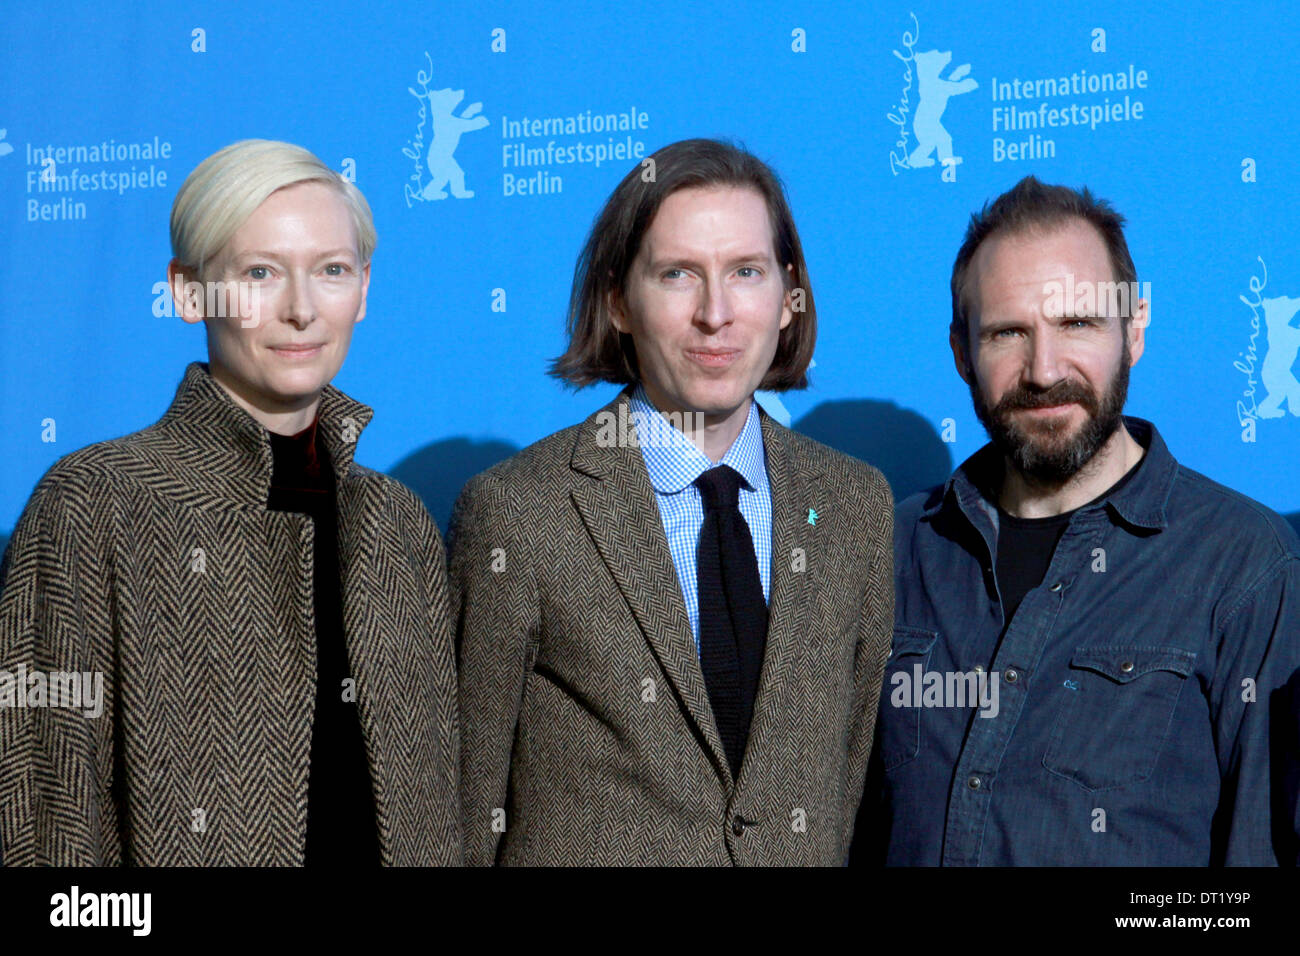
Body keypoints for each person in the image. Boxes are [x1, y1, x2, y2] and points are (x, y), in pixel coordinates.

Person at [0, 139, 461, 866]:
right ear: (188, 292)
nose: (302, 309)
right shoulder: (93, 502)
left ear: (365, 288)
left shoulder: (397, 520)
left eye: (332, 271)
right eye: (260, 273)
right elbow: (50, 818)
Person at [449, 138, 894, 866]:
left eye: (746, 273)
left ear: (788, 298)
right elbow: (464, 818)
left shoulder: (855, 507)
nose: (715, 314)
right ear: (619, 301)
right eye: (678, 274)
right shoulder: (519, 513)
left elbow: (846, 790)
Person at [861, 175, 1300, 865]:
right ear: (960, 350)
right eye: (1009, 332)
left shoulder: (1245, 565)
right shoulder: (894, 552)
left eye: (1077, 324)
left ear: (1134, 330)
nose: (1043, 370)